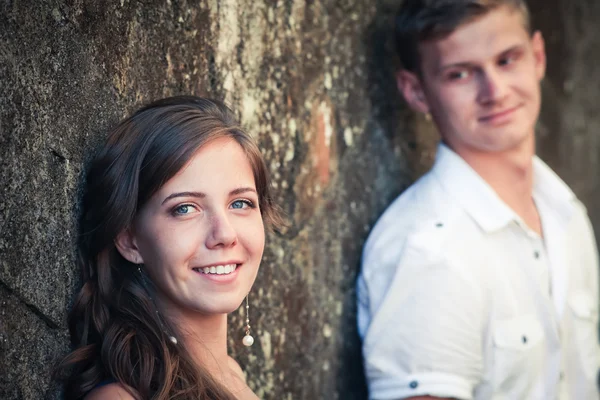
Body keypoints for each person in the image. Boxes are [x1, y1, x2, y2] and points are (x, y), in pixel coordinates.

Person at [356, 1, 600, 399]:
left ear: (537, 57)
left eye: (507, 60)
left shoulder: (564, 212)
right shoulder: (428, 251)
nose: (495, 91)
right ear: (416, 91)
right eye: (461, 74)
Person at [55, 96, 282, 399]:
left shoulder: (231, 375)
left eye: (240, 203)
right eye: (185, 209)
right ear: (129, 239)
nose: (225, 234)